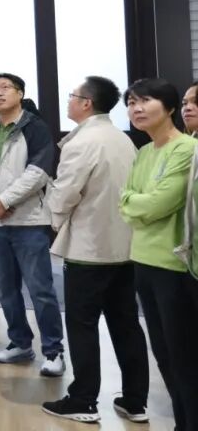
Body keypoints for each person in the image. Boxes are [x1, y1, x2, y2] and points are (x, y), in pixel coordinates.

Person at [41, 77, 148, 424]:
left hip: (89, 247)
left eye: (72, 96)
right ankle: (135, 401)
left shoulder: (82, 141)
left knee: (82, 323)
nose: (68, 101)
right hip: (125, 245)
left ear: (86, 103)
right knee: (126, 323)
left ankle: (83, 400)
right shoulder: (122, 138)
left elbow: (64, 194)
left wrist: (54, 220)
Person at [0, 73, 65, 376]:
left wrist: (5, 200)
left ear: (20, 93)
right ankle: (20, 343)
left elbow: (39, 171)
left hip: (29, 220)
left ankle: (53, 351)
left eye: (4, 88)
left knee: (40, 290)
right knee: (6, 289)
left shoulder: (34, 127)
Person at [120, 79, 198, 430]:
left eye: (146, 100)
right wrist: (137, 204)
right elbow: (127, 202)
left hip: (176, 265)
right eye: (131, 102)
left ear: (169, 108)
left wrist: (136, 204)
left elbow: (155, 204)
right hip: (143, 261)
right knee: (164, 355)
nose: (136, 108)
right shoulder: (144, 152)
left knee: (185, 358)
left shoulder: (187, 149)